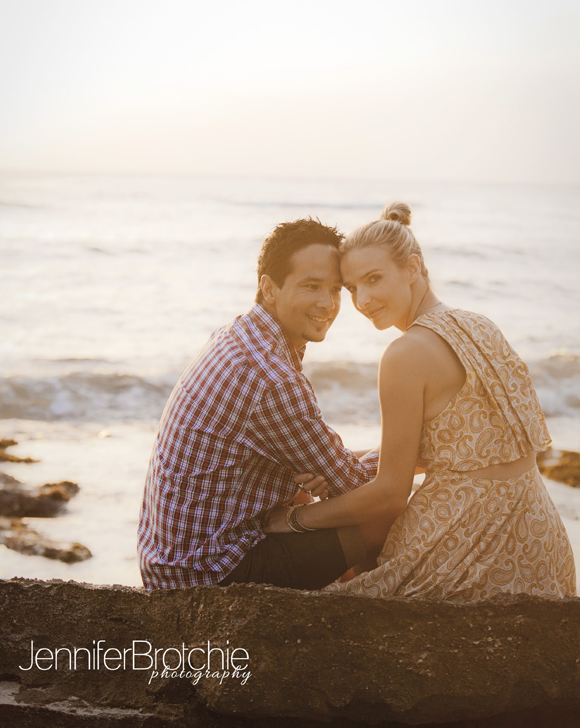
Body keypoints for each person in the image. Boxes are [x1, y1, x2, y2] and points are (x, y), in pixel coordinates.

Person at [265, 202, 576, 600]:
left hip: (466, 544)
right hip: (541, 545)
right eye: (353, 288)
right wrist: (340, 463)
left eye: (374, 279)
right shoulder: (481, 326)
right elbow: (459, 450)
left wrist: (296, 518)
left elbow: (391, 494)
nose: (363, 300)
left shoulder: (404, 354)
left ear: (412, 268)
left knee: (330, 598)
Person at [137, 218, 379, 591]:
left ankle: (341, 601)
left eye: (335, 289)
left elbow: (326, 464)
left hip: (168, 560)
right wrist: (414, 454)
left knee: (309, 493)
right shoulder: (272, 377)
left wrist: (321, 470)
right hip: (208, 574)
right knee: (381, 515)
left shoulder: (238, 335)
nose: (328, 303)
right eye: (311, 286)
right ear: (269, 288)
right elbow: (359, 487)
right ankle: (370, 613)